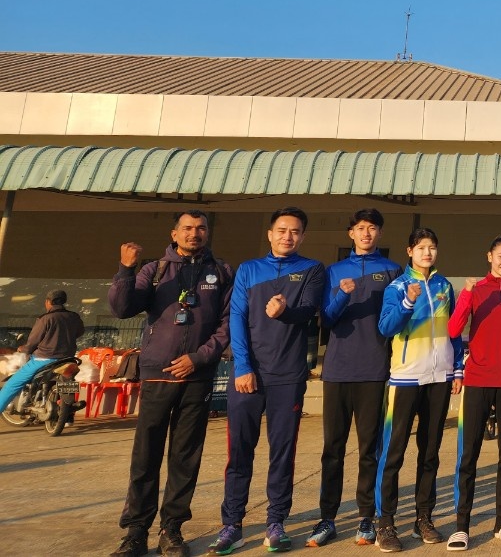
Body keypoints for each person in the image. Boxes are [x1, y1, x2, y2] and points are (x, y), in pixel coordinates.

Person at [107, 211, 234, 557]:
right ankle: (135, 533)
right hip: (157, 375)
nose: (195, 233)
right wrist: (126, 269)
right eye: (187, 228)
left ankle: (172, 529)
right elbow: (121, 308)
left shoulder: (222, 272)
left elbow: (228, 323)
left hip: (197, 377)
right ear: (174, 233)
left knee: (185, 457)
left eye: (201, 228)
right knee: (145, 456)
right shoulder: (155, 270)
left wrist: (200, 357)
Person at [208, 207, 326, 556]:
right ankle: (232, 525)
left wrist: (284, 312)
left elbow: (308, 311)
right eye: (282, 230)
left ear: (302, 237)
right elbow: (237, 318)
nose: (288, 236)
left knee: (282, 452)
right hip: (248, 375)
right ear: (270, 234)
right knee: (239, 452)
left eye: (295, 231)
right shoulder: (248, 269)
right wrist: (242, 366)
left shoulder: (312, 269)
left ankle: (276, 522)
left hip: (288, 376)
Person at [305, 209, 402, 548]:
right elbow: (326, 320)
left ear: (380, 233)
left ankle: (366, 516)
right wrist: (342, 294)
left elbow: (396, 321)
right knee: (332, 448)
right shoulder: (333, 271)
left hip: (374, 371)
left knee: (368, 450)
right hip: (337, 370)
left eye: (372, 228)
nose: (366, 233)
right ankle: (327, 517)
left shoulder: (391, 271)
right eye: (360, 228)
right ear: (351, 233)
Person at [374, 227, 464, 552]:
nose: (427, 252)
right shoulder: (397, 286)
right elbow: (386, 327)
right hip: (405, 379)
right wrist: (408, 302)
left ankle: (423, 518)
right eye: (421, 247)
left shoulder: (444, 286)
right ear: (409, 251)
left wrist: (457, 368)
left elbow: (453, 329)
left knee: (430, 453)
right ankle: (385, 522)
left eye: (432, 247)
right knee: (393, 452)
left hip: (439, 379)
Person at [445, 236, 501, 550]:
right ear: (489, 257)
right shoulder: (475, 289)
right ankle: (462, 526)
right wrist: (467, 294)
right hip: (479, 379)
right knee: (469, 455)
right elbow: (454, 329)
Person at [0, 289, 85, 413]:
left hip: (44, 359)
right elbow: (80, 332)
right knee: (68, 380)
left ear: (48, 302)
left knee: (12, 384)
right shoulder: (74, 317)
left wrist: (23, 348)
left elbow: (33, 342)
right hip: (68, 358)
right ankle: (68, 413)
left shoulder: (45, 319)